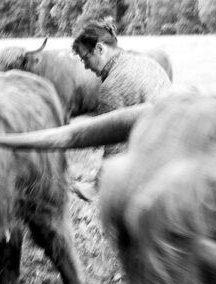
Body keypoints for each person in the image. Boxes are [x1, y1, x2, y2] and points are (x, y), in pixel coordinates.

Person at [71, 21, 171, 200]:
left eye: (85, 58)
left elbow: (114, 149)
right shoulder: (146, 62)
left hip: (154, 172)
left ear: (100, 49)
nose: (85, 66)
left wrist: (96, 188)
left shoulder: (111, 86)